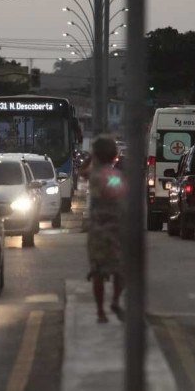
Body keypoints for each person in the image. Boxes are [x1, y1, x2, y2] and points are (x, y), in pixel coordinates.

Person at [86, 136, 126, 323]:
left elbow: (83, 171)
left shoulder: (95, 174)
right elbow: (119, 192)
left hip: (97, 230)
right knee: (120, 269)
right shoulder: (110, 176)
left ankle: (101, 311)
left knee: (98, 272)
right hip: (115, 228)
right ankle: (115, 302)